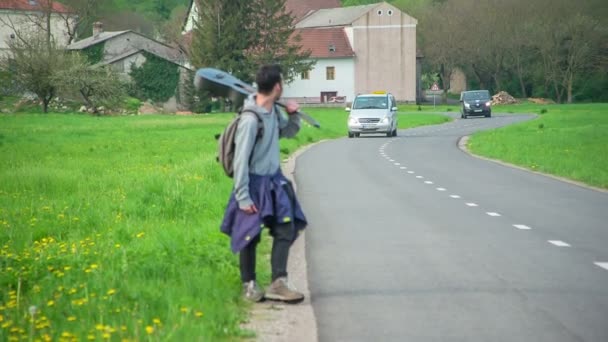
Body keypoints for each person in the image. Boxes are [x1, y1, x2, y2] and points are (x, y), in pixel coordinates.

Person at [220, 64, 308, 304]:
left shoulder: (272, 114)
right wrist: (243, 197)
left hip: (274, 182)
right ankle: (249, 286)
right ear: (277, 86)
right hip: (253, 184)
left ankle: (278, 283)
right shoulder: (250, 120)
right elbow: (240, 162)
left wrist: (293, 115)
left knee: (286, 229)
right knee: (250, 235)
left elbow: (287, 132)